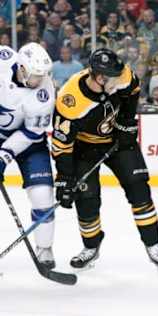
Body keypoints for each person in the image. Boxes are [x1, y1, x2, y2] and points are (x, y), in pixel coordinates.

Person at [51, 48, 158, 270]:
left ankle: (154, 246)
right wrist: (64, 178)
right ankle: (91, 247)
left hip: (118, 140)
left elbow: (133, 89)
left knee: (139, 190)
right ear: (98, 77)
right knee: (86, 198)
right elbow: (61, 144)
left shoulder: (119, 74)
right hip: (84, 147)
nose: (119, 80)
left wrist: (127, 120)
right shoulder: (71, 101)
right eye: (113, 79)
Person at [0, 43, 56, 268]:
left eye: (42, 75)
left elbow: (33, 132)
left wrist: (3, 155)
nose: (38, 80)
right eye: (34, 74)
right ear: (21, 67)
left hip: (29, 141)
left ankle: (44, 247)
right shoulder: (3, 59)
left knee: (43, 194)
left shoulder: (44, 93)